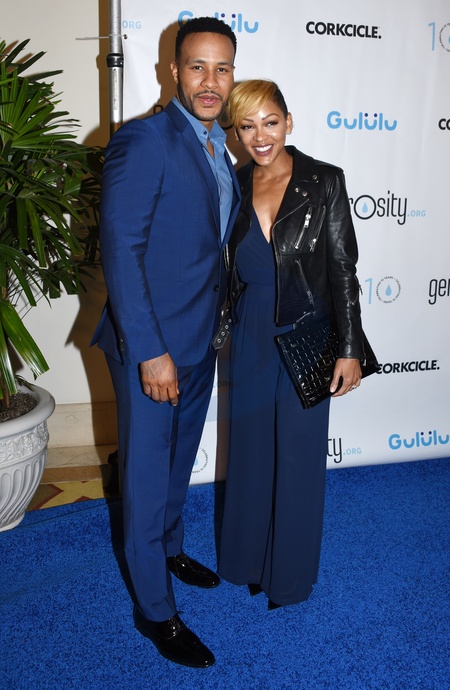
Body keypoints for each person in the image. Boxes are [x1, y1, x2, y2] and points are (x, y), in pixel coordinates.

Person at [92, 17, 240, 668]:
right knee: (148, 477)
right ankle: (155, 611)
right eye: (197, 67)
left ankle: (171, 548)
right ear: (173, 71)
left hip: (201, 339)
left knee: (178, 462)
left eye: (222, 68)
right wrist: (150, 352)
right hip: (151, 346)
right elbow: (121, 251)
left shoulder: (220, 147)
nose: (210, 82)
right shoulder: (144, 140)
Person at [218, 80, 364, 610]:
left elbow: (343, 269)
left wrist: (349, 347)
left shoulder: (323, 181)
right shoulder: (232, 183)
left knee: (299, 457)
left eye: (270, 122)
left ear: (289, 122)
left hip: (308, 330)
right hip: (250, 331)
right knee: (251, 451)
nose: (260, 136)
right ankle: (245, 560)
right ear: (235, 133)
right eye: (247, 126)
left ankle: (289, 578)